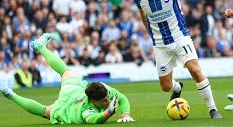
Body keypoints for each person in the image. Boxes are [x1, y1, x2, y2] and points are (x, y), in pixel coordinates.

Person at [133, 0, 222, 119]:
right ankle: (178, 86)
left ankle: (212, 109)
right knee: (166, 86)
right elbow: (142, 15)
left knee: (194, 70)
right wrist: (150, 33)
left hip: (180, 37)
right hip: (160, 44)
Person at [0, 33, 135, 124]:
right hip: (67, 105)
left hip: (76, 89)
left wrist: (125, 114)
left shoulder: (102, 89)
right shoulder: (86, 110)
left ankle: (40, 46)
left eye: (107, 98)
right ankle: (11, 95)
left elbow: (121, 98)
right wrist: (109, 113)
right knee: (44, 111)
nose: (108, 101)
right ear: (93, 101)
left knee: (65, 70)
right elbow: (94, 120)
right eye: (105, 100)